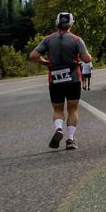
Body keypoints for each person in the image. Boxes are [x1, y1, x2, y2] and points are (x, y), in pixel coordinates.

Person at [28, 12, 92, 151]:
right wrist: (84, 56)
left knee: (58, 109)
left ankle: (58, 129)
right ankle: (70, 139)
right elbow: (87, 59)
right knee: (72, 109)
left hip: (55, 77)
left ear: (57, 23)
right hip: (73, 78)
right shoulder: (76, 39)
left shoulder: (48, 39)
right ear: (71, 24)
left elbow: (33, 56)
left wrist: (45, 63)